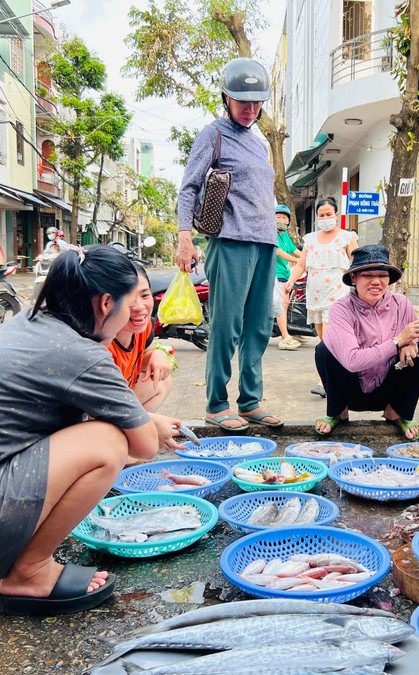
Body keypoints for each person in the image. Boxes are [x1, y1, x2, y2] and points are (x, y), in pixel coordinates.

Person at [0, 246, 187, 616]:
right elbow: (144, 446)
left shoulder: (30, 323)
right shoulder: (81, 352)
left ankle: (6, 555)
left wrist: (147, 420)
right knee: (108, 443)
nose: (135, 313)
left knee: (101, 432)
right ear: (105, 303)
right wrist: (148, 425)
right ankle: (30, 573)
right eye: (131, 303)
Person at [176, 57, 282, 433]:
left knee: (258, 326)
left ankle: (250, 402)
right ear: (225, 97)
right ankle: (216, 403)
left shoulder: (259, 143)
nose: (250, 109)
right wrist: (184, 237)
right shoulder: (213, 134)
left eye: (256, 102)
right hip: (230, 241)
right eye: (242, 101)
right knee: (226, 326)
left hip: (265, 243)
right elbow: (189, 186)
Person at [315, 245, 419, 440]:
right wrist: (398, 341)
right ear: (354, 278)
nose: (376, 281)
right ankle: (339, 411)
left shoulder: (401, 303)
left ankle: (395, 411)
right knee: (325, 348)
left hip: (387, 388)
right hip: (351, 390)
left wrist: (411, 342)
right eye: (367, 275)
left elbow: (417, 335)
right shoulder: (341, 309)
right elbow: (352, 361)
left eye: (382, 275)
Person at [284, 197, 358, 397]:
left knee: (329, 336)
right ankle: (341, 371)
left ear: (336, 215)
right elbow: (301, 265)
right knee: (322, 336)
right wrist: (290, 281)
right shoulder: (310, 239)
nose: (325, 218)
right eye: (321, 215)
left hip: (337, 290)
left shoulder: (346, 237)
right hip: (315, 292)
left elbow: (356, 260)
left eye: (329, 214)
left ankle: (325, 379)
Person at [108, 265, 172, 413]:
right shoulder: (100, 343)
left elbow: (146, 354)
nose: (139, 307)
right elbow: (97, 410)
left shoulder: (143, 326)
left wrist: (157, 354)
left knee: (162, 380)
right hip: (95, 415)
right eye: (128, 298)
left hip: (120, 401)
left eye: (144, 295)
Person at [273, 204, 305, 351]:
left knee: (288, 303)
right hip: (275, 274)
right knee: (282, 304)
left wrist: (309, 257)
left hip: (286, 274)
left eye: (284, 217)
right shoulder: (272, 233)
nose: (281, 220)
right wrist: (298, 261)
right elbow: (278, 252)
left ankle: (291, 331)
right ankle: (284, 337)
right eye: (278, 217)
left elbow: (294, 251)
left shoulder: (284, 235)